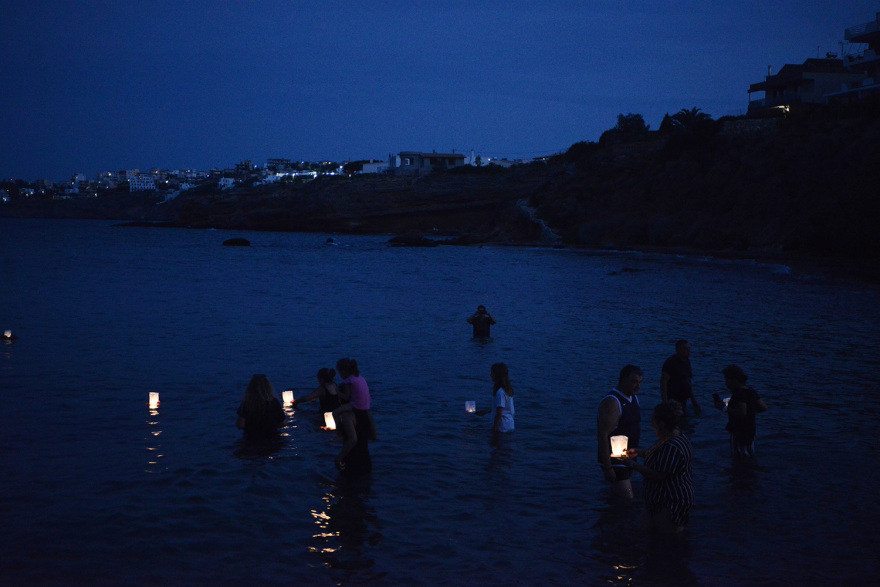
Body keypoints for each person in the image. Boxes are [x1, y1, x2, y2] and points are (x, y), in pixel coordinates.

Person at [622, 402, 695, 534]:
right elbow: (660, 457)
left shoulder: (672, 446)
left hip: (671, 501)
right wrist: (640, 452)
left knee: (667, 540)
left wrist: (631, 464)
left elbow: (657, 475)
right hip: (658, 501)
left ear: (661, 425)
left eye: (653, 423)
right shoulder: (672, 437)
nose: (651, 426)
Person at [597, 365, 643, 500]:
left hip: (628, 456)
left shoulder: (634, 398)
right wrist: (608, 467)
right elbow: (602, 435)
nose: (637, 386)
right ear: (623, 380)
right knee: (627, 500)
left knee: (621, 496)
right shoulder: (612, 402)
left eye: (640, 382)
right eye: (634, 382)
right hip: (616, 459)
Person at [332, 358, 376, 477]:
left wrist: (337, 393)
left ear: (344, 371)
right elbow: (374, 436)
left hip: (356, 405)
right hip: (366, 463)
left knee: (334, 413)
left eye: (340, 372)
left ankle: (338, 434)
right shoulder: (361, 378)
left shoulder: (348, 381)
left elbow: (346, 396)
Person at [714, 365, 768, 459]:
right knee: (749, 454)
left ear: (734, 380)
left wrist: (723, 408)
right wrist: (750, 412)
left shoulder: (738, 394)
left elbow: (742, 412)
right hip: (751, 431)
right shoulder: (751, 391)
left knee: (739, 457)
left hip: (739, 432)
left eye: (727, 380)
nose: (726, 383)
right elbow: (763, 407)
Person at [236, 374, 285, 440]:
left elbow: (240, 425)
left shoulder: (247, 403)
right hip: (272, 438)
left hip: (251, 439)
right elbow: (283, 423)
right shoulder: (274, 402)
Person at [660, 340, 701, 415]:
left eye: (689, 349)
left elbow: (688, 382)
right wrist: (665, 402)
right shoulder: (670, 363)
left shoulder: (687, 362)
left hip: (683, 400)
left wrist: (694, 401)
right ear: (678, 350)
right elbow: (663, 382)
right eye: (685, 348)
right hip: (673, 399)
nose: (688, 351)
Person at [475, 362, 515, 434]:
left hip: (502, 427)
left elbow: (499, 414)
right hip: (509, 425)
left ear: (497, 375)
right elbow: (503, 408)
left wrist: (494, 430)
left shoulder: (500, 392)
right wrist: (485, 411)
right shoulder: (507, 390)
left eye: (492, 373)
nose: (490, 375)